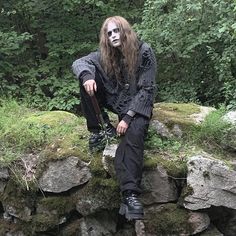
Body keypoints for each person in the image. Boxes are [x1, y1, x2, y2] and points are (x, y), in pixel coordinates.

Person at [72, 16, 156, 220]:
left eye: (116, 31)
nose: (113, 36)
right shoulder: (105, 56)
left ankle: (130, 195)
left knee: (134, 134)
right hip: (115, 99)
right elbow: (79, 62)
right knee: (86, 80)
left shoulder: (144, 51)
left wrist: (127, 118)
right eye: (109, 33)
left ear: (125, 31)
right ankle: (101, 130)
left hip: (138, 106)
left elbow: (148, 89)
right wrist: (87, 76)